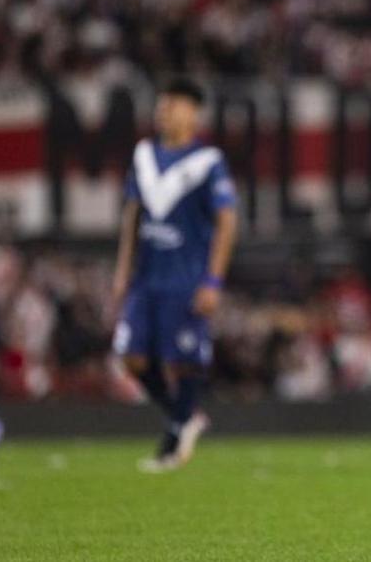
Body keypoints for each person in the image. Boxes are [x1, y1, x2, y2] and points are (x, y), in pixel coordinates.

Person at [111, 78, 238, 472]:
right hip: (147, 276)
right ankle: (185, 418)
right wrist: (122, 270)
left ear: (193, 113)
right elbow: (132, 213)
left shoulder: (208, 162)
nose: (163, 111)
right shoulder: (144, 155)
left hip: (186, 277)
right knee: (130, 358)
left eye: (173, 105)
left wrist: (213, 281)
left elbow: (227, 221)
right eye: (162, 105)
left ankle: (172, 441)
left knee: (184, 363)